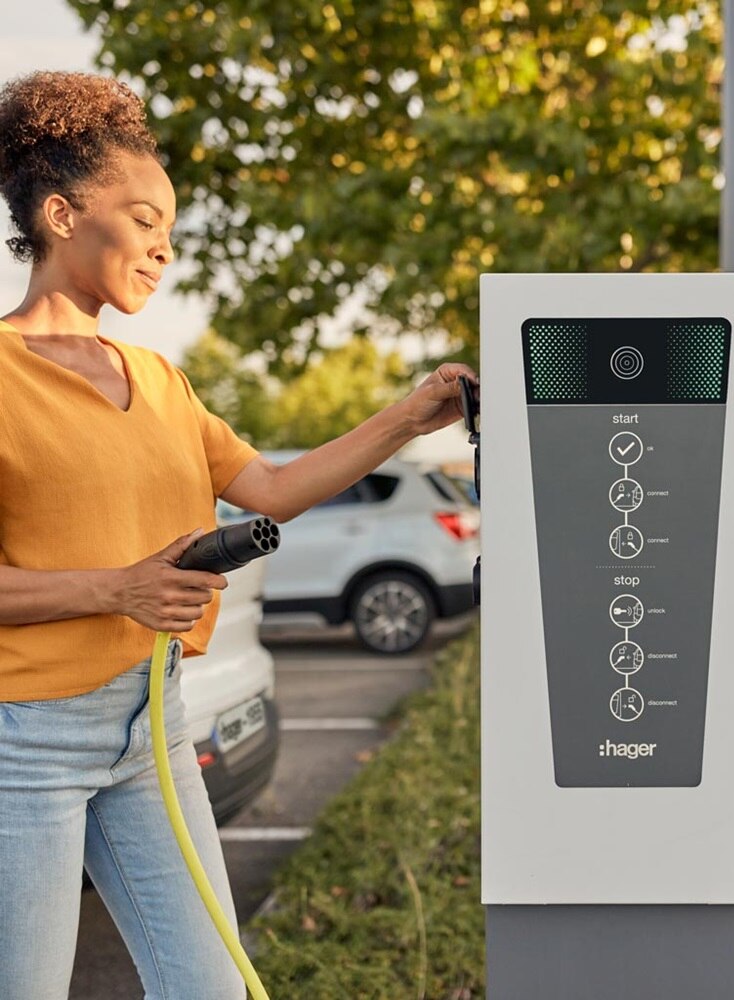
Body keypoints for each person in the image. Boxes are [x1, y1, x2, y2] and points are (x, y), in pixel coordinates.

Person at [0, 70, 477, 1000]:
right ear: (61, 215)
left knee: (210, 987)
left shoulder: (161, 379)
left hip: (155, 732)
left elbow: (273, 486)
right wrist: (115, 588)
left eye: (169, 231)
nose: (163, 250)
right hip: (29, 744)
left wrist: (406, 418)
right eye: (144, 222)